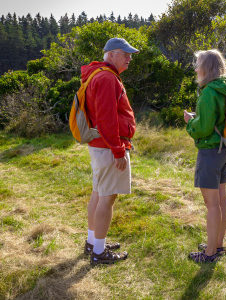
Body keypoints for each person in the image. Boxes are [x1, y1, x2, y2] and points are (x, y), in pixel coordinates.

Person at [81, 38, 139, 265]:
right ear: (112, 54)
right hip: (108, 147)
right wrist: (118, 151)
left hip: (100, 147)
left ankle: (93, 242)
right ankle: (99, 252)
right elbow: (106, 119)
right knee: (107, 198)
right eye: (126, 54)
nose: (129, 58)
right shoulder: (106, 78)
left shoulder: (98, 74)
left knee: (98, 193)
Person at [184, 49, 226, 263]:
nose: (195, 68)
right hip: (224, 150)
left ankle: (210, 253)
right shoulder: (225, 89)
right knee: (221, 200)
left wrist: (190, 123)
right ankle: (218, 244)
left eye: (198, 64)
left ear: (207, 68)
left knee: (212, 204)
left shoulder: (207, 92)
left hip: (210, 151)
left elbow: (203, 128)